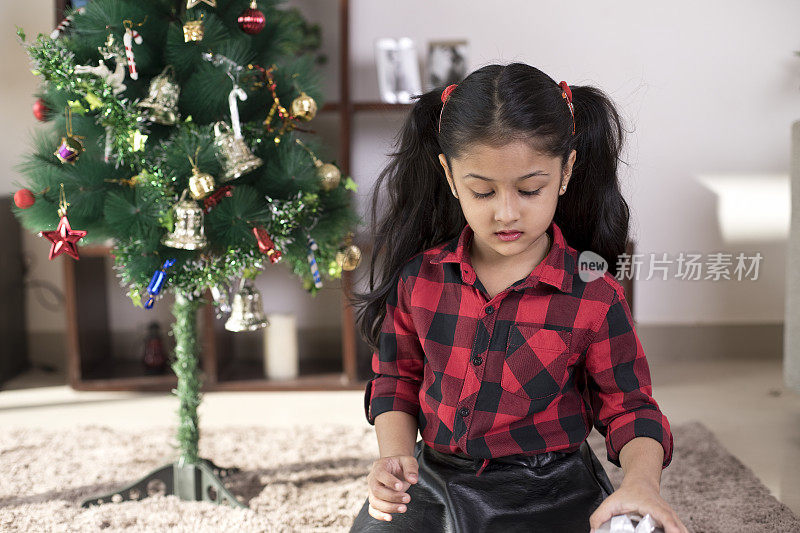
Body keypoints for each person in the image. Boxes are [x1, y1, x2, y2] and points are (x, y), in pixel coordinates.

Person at [347, 62, 689, 533]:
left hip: (550, 489)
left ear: (566, 171)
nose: (507, 213)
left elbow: (630, 407)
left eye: (531, 189)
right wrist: (395, 458)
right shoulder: (419, 281)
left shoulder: (593, 294)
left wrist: (642, 485)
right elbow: (395, 381)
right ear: (449, 176)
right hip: (436, 480)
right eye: (482, 191)